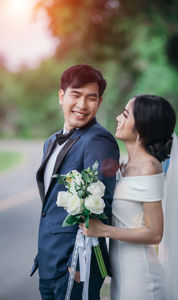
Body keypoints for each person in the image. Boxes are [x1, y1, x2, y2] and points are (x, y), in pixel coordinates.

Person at [81, 94, 178, 300]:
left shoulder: (149, 167)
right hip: (121, 274)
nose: (118, 117)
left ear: (141, 129)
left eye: (126, 115)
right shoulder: (124, 164)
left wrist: (103, 230)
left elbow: (154, 233)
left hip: (141, 280)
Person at [30, 64, 119, 300]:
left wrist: (80, 264)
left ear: (99, 103)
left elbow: (102, 202)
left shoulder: (99, 140)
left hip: (77, 267)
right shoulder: (50, 141)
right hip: (50, 261)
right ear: (61, 96)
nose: (82, 105)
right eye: (76, 95)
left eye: (91, 98)